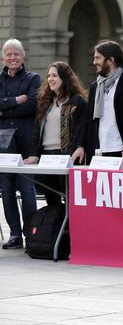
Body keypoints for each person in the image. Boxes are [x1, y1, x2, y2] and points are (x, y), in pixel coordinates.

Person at [24, 62, 87, 208]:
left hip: (66, 155)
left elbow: (81, 128)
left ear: (64, 78)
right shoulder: (45, 102)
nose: (50, 79)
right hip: (46, 156)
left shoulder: (77, 101)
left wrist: (80, 146)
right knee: (51, 199)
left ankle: (69, 230)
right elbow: (36, 131)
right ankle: (54, 229)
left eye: (54, 75)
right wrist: (33, 154)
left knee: (70, 198)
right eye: (48, 76)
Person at [76, 40, 123, 166]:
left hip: (122, 152)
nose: (94, 62)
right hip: (98, 151)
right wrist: (81, 145)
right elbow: (88, 120)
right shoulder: (95, 86)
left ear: (110, 60)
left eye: (97, 58)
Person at [0, 38, 40, 250]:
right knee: (6, 190)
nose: (13, 57)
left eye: (16, 54)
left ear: (23, 56)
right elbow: (23, 103)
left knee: (27, 189)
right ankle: (15, 234)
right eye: (9, 54)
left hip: (26, 142)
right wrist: (16, 100)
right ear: (3, 58)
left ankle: (30, 234)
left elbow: (33, 105)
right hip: (4, 144)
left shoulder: (34, 78)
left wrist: (4, 107)